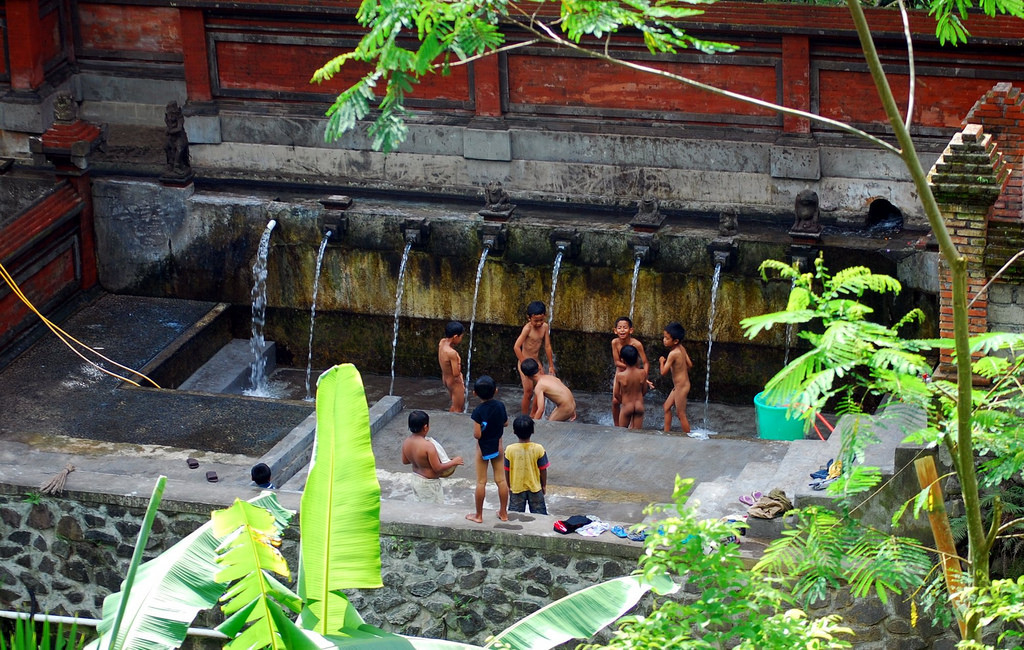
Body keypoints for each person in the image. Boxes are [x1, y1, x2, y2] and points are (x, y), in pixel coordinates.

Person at [467, 376, 509, 522]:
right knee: (501, 480)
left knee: (481, 482)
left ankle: (478, 515)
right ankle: (503, 513)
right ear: (496, 391)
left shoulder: (478, 411)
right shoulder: (500, 406)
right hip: (498, 446)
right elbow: (505, 423)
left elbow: (477, 434)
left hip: (482, 449)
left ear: (474, 393)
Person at [401, 410, 464, 504]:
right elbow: (437, 468)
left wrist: (418, 459)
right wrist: (454, 461)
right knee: (433, 510)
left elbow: (405, 461)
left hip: (415, 480)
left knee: (420, 507)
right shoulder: (428, 446)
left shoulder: (406, 442)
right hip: (429, 484)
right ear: (425, 427)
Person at [514, 301, 556, 415]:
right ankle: (524, 416)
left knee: (540, 390)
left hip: (536, 363)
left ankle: (533, 414)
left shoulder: (545, 327)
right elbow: (516, 347)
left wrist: (551, 365)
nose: (538, 323)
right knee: (528, 392)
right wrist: (524, 363)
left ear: (545, 316)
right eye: (535, 321)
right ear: (529, 318)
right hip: (525, 362)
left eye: (541, 320)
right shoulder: (527, 329)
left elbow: (547, 346)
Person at [504, 415, 550, 514]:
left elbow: (506, 470)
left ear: (514, 432)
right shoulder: (539, 448)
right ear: (532, 431)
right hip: (535, 487)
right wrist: (544, 485)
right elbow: (543, 469)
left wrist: (508, 486)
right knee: (539, 515)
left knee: (515, 515)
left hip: (516, 487)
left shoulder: (509, 449)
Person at [610, 316, 652, 424]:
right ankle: (616, 424)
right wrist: (629, 369)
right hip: (621, 372)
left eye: (625, 327)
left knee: (634, 397)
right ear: (615, 331)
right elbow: (617, 362)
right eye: (619, 328)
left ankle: (632, 422)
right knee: (615, 400)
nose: (622, 330)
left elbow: (646, 362)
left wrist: (644, 376)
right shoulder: (615, 342)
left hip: (636, 372)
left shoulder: (637, 344)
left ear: (631, 330)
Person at [660, 321, 693, 434]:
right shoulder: (681, 348)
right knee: (666, 407)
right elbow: (690, 364)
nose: (664, 340)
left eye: (667, 338)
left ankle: (688, 436)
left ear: (675, 341)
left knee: (680, 414)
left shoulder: (673, 354)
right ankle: (666, 432)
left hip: (681, 387)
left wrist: (661, 362)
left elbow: (663, 372)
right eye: (664, 337)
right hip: (682, 385)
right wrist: (681, 371)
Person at [613, 344, 649, 429]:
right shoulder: (643, 373)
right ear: (637, 358)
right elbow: (644, 391)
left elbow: (616, 394)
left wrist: (623, 401)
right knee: (637, 434)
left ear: (622, 360)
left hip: (627, 406)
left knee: (622, 432)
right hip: (639, 405)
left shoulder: (620, 376)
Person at [438, 321, 465, 412]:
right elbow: (456, 373)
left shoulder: (442, 342)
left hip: (445, 378)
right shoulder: (452, 353)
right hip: (455, 382)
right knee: (458, 408)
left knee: (454, 404)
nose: (461, 339)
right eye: (461, 337)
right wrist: (459, 361)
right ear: (455, 337)